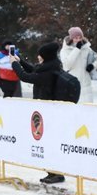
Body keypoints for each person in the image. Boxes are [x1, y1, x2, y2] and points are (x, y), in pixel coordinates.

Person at [10, 41, 65, 184]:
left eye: (40, 56)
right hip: (48, 110)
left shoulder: (48, 72)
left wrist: (14, 64)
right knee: (47, 142)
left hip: (49, 112)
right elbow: (34, 70)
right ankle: (52, 172)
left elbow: (26, 76)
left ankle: (56, 173)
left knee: (50, 143)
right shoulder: (51, 67)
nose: (38, 58)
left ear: (45, 57)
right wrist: (20, 60)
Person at [59, 27, 97, 103]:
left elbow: (95, 60)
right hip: (72, 84)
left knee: (88, 110)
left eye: (80, 37)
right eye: (76, 38)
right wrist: (76, 49)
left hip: (86, 86)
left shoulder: (87, 48)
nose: (78, 40)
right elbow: (67, 65)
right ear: (71, 38)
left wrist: (92, 66)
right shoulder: (65, 50)